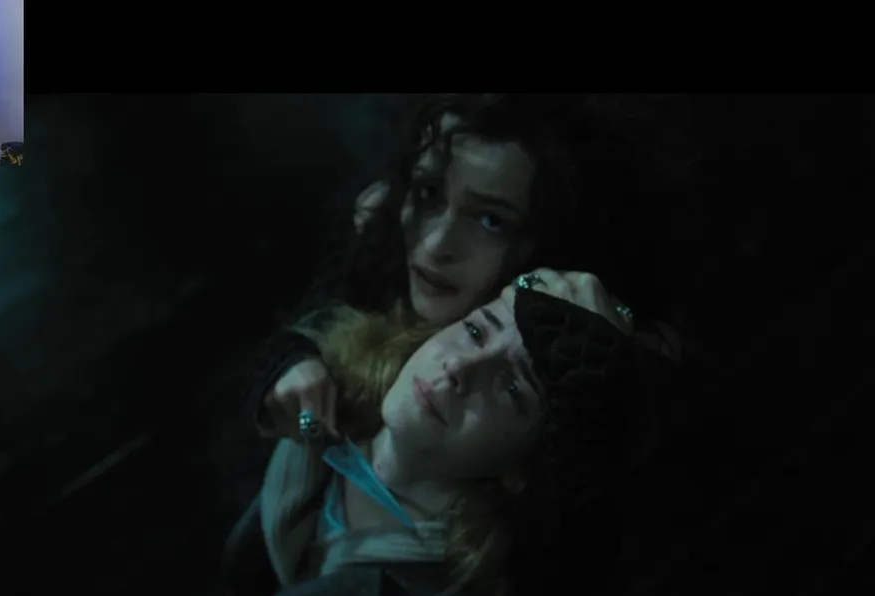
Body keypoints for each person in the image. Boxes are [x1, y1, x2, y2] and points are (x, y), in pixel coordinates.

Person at [224, 268, 676, 596]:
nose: (459, 366)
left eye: (511, 388)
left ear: (523, 468)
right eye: (477, 331)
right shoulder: (331, 382)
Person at [245, 94, 677, 443]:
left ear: (547, 242)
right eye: (429, 192)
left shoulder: (574, 383)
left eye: (491, 220)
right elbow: (309, 321)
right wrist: (290, 362)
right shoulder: (381, 234)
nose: (437, 245)